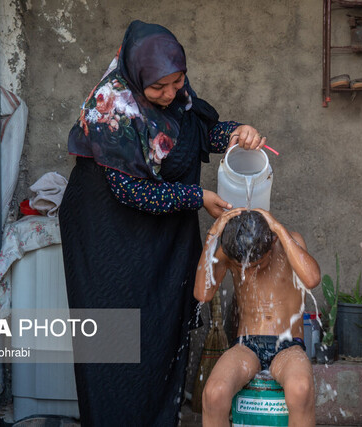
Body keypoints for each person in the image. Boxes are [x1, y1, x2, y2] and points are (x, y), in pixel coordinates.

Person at [59, 20, 266, 426]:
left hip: (161, 238)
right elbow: (131, 192)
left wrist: (237, 134)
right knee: (115, 346)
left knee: (158, 334)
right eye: (160, 87)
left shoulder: (174, 96)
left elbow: (198, 133)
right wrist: (196, 197)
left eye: (178, 81)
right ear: (137, 76)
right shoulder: (111, 110)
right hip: (107, 239)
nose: (171, 93)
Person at [194, 208, 321, 427]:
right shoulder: (231, 252)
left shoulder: (287, 240)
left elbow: (312, 279)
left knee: (301, 389)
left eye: (258, 263)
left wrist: (278, 229)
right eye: (246, 266)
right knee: (214, 393)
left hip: (287, 346)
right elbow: (202, 294)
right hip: (246, 345)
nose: (252, 269)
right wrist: (211, 237)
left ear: (271, 242)